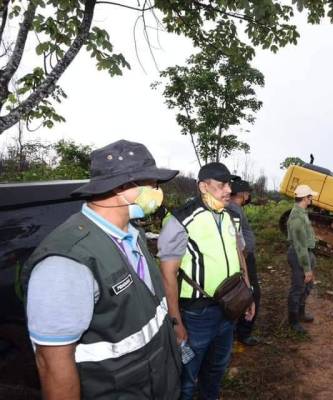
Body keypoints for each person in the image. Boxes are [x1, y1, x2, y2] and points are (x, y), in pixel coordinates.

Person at [20, 140, 181, 400]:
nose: (157, 191)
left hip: (157, 383)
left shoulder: (133, 235)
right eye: (151, 184)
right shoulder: (66, 263)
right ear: (121, 188)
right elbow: (53, 366)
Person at [158, 162, 255, 400]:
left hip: (230, 306)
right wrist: (175, 321)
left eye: (229, 185)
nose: (227, 191)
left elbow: (239, 255)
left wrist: (248, 292)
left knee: (217, 367)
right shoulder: (181, 220)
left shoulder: (232, 216)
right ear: (203, 186)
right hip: (198, 314)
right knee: (188, 376)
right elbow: (167, 273)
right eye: (221, 185)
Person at [227, 179, 261, 346]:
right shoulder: (233, 209)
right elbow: (236, 241)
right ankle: (243, 333)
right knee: (251, 294)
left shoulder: (236, 208)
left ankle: (238, 331)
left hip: (245, 256)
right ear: (242, 194)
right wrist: (244, 257)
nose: (249, 196)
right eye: (248, 193)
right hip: (244, 259)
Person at [287, 184, 319, 334]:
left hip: (306, 253)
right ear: (305, 198)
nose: (312, 198)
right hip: (300, 255)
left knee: (308, 286)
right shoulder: (297, 218)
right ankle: (293, 321)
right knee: (298, 288)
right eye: (310, 196)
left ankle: (300, 313)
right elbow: (300, 247)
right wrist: (307, 269)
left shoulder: (302, 212)